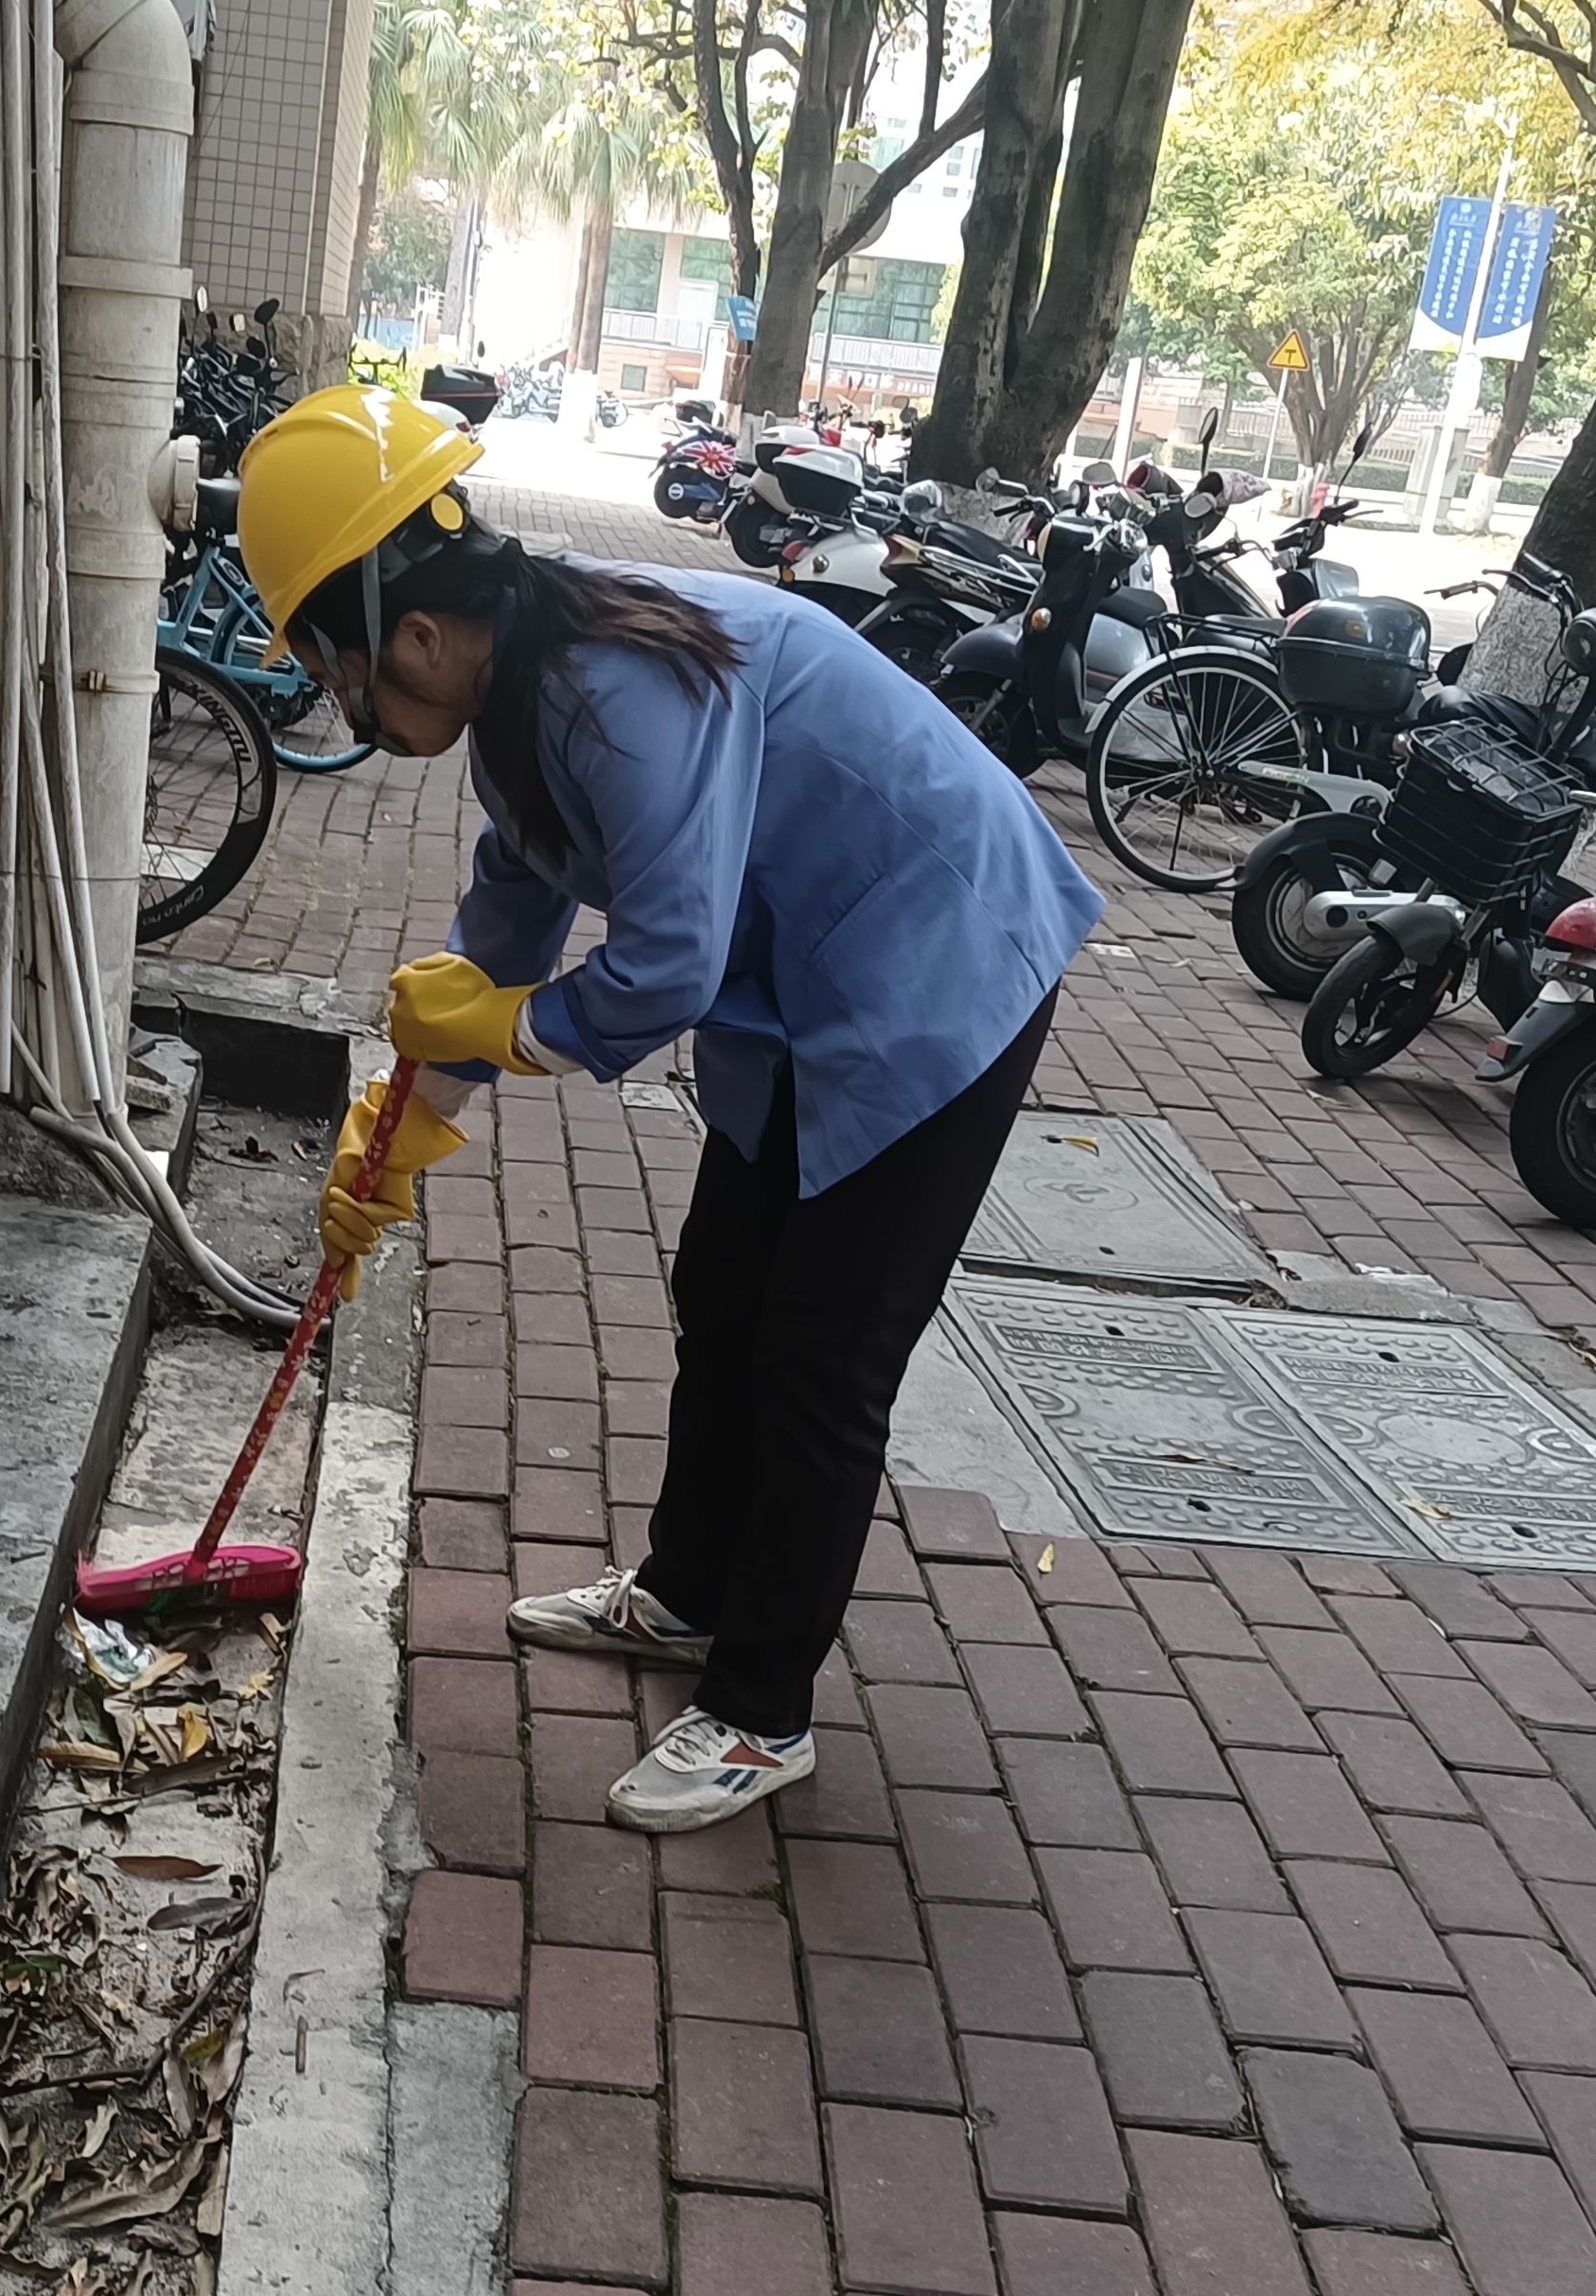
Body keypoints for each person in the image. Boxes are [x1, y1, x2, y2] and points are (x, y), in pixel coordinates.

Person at [233, 384, 1103, 1833]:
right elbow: (505, 925)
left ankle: (763, 1711)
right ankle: (690, 1595)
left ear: (417, 636)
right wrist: (404, 1129)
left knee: (821, 1353)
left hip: (941, 960)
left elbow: (666, 967)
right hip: (811, 974)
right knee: (723, 1289)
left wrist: (503, 1035)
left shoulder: (613, 691)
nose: (349, 712)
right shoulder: (518, 687)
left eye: (340, 678)